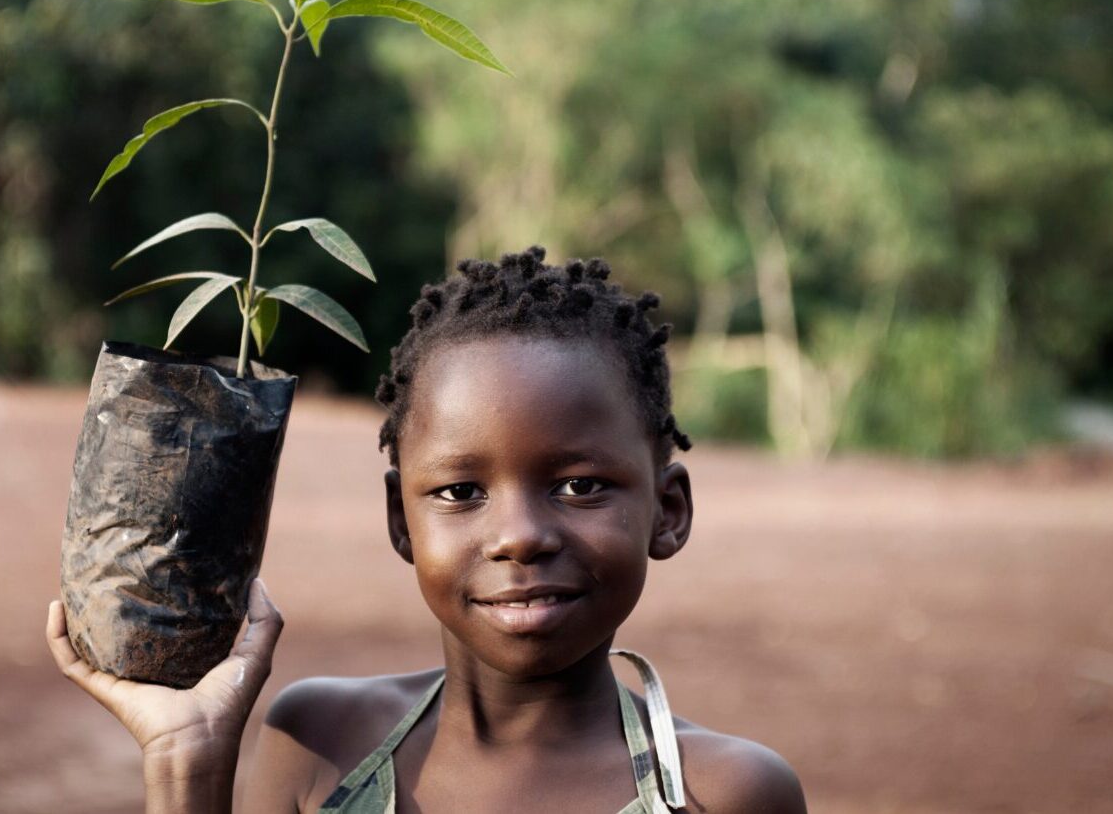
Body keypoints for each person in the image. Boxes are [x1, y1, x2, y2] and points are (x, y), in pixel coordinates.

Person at [46, 245, 808, 813]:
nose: (519, 536)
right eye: (461, 491)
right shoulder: (317, 744)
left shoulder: (726, 793)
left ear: (667, 512)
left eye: (580, 486)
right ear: (399, 521)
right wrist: (188, 764)